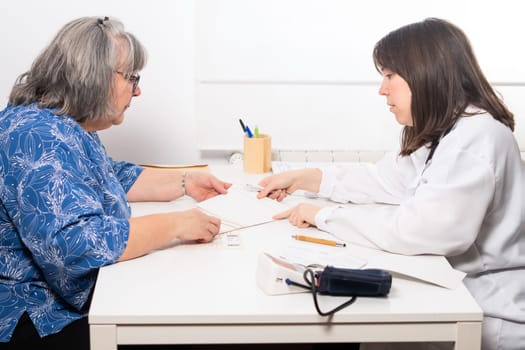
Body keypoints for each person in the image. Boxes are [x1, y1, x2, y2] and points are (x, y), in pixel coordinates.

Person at [257, 18, 524, 350]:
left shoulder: (476, 138)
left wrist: (323, 216)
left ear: (425, 72)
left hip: (487, 312)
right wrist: (307, 178)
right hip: (454, 291)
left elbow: (423, 230)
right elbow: (385, 179)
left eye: (389, 76)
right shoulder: (447, 131)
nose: (382, 90)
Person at [0, 16, 231, 350]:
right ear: (93, 75)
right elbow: (75, 245)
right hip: (39, 316)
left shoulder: (67, 125)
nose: (137, 90)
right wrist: (177, 224)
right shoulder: (35, 138)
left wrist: (185, 182)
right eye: (131, 78)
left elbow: (111, 176)